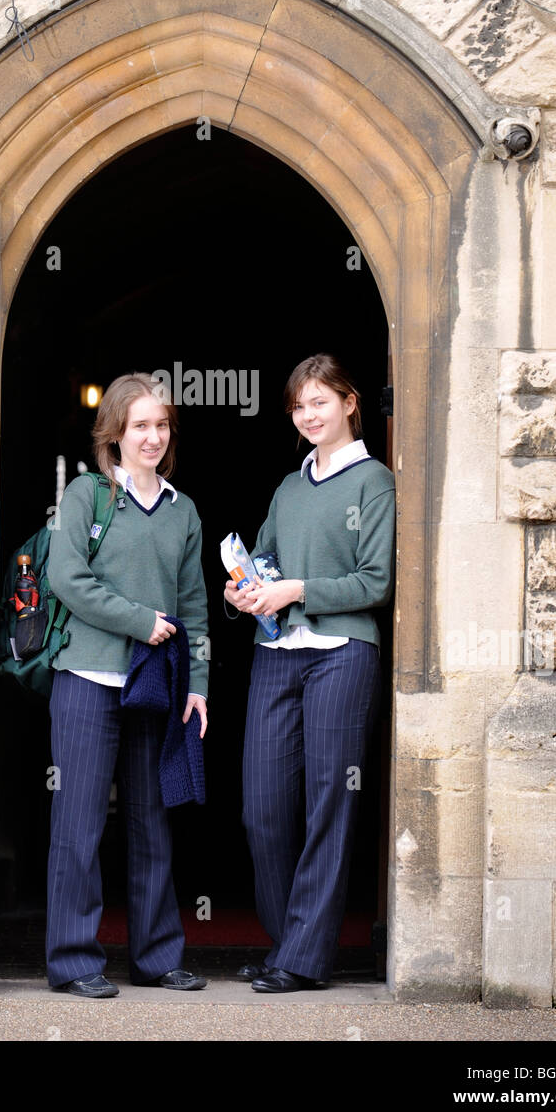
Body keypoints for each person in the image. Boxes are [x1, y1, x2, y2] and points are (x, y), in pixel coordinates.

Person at [225, 353, 395, 993]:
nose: (309, 414)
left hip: (343, 655)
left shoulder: (373, 483)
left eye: (321, 401)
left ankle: (301, 959)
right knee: (262, 809)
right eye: (300, 405)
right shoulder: (288, 488)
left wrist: (297, 588)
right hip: (276, 655)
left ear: (351, 403)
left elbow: (375, 582)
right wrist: (242, 591)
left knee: (330, 804)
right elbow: (262, 561)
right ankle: (285, 943)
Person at [45, 372, 209, 997]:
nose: (152, 436)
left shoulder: (182, 509)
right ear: (114, 432)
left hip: (156, 684)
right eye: (139, 425)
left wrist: (199, 684)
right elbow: (67, 579)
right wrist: (142, 622)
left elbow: (193, 605)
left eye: (161, 425)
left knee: (150, 820)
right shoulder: (88, 496)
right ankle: (74, 962)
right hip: (87, 678)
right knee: (79, 822)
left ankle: (157, 955)